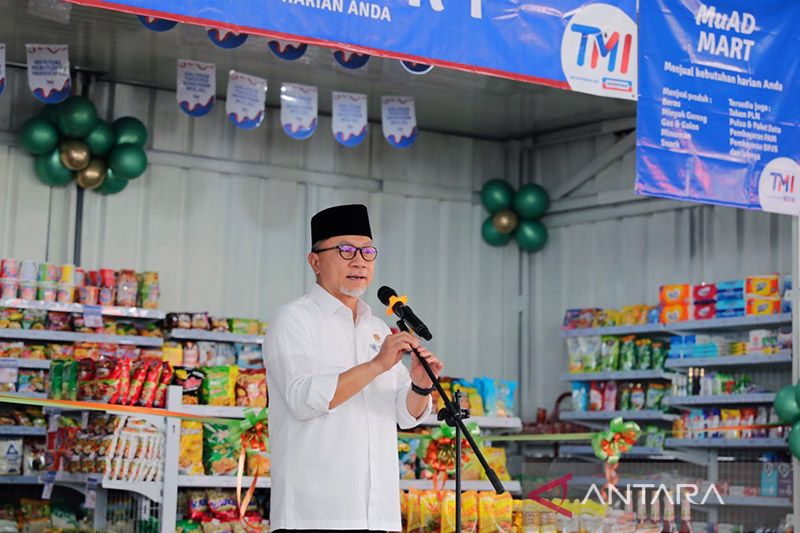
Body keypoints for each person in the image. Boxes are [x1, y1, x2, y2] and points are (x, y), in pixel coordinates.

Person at [265, 204, 444, 532]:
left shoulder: (375, 328)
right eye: (345, 250)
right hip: (315, 516)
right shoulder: (294, 320)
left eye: (367, 251)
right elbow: (303, 399)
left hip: (380, 515)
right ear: (315, 261)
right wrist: (377, 365)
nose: (359, 260)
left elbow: (404, 415)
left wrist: (419, 385)